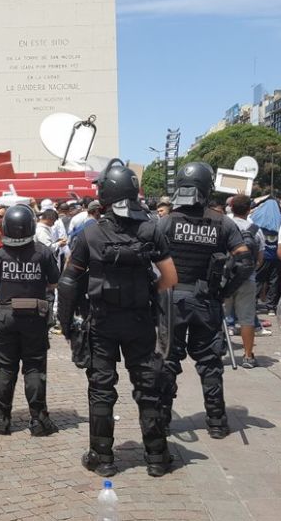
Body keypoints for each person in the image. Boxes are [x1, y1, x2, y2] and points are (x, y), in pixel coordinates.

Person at [58, 159, 178, 477]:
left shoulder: (90, 234)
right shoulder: (151, 229)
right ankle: (156, 457)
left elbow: (68, 281)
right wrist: (152, 296)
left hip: (102, 322)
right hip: (140, 322)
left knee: (101, 389)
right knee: (148, 387)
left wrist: (66, 322)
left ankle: (103, 457)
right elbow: (170, 277)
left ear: (105, 196)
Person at [156, 163, 251, 441]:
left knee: (168, 361)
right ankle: (217, 422)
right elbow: (245, 262)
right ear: (208, 188)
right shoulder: (223, 222)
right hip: (206, 300)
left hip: (172, 301)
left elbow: (148, 261)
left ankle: (161, 421)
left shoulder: (166, 221)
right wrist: (224, 292)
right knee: (210, 363)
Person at [0, 204, 60, 436]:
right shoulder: (43, 252)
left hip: (4, 317)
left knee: (5, 368)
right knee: (34, 367)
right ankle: (39, 421)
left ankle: (1, 421)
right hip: (34, 317)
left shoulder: (0, 255)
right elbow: (54, 283)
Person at [227, 194, 264, 368]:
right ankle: (248, 356)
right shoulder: (256, 230)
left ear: (231, 208)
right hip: (248, 279)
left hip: (224, 279)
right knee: (247, 319)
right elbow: (260, 260)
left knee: (216, 316)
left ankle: (216, 351)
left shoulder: (225, 225)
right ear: (249, 210)